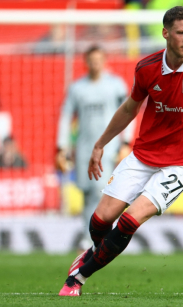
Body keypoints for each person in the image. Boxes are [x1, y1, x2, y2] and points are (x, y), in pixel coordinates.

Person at [58, 6, 183, 296]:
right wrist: (100, 143)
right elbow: (130, 108)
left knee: (130, 219)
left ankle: (78, 278)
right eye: (181, 32)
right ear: (165, 33)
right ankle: (94, 252)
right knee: (100, 220)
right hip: (144, 155)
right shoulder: (146, 68)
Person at [56, 45, 132, 248]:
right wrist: (62, 146)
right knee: (87, 192)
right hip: (84, 148)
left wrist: (126, 142)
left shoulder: (116, 85)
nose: (95, 63)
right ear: (86, 62)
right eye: (92, 60)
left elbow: (129, 112)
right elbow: (65, 117)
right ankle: (87, 236)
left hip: (110, 147)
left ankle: (104, 236)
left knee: (103, 191)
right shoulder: (77, 88)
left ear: (104, 60)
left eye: (99, 59)